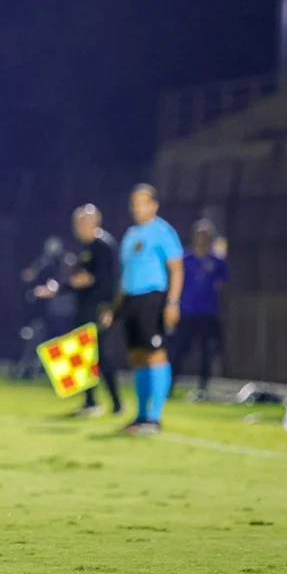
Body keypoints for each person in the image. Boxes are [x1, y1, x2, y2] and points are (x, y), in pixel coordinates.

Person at [101, 184, 184, 434]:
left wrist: (172, 302)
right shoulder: (130, 235)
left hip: (153, 298)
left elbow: (177, 269)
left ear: (154, 205)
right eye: (133, 203)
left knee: (155, 354)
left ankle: (154, 418)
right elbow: (125, 277)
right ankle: (139, 416)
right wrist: (114, 309)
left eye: (141, 203)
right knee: (136, 356)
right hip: (131, 300)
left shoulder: (162, 231)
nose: (136, 208)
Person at [34, 204, 123, 416]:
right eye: (76, 223)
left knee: (100, 355)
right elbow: (73, 278)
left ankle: (116, 403)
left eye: (82, 222)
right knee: (83, 355)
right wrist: (55, 289)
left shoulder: (104, 245)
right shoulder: (84, 248)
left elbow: (109, 279)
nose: (78, 227)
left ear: (94, 222)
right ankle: (90, 402)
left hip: (99, 308)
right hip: (83, 308)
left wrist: (108, 306)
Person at [169, 219, 227, 401]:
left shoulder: (216, 261)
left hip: (207, 312)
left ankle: (202, 389)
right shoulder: (185, 259)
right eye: (199, 235)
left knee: (206, 351)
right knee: (178, 350)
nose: (202, 239)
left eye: (206, 236)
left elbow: (222, 284)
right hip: (186, 312)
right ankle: (168, 387)